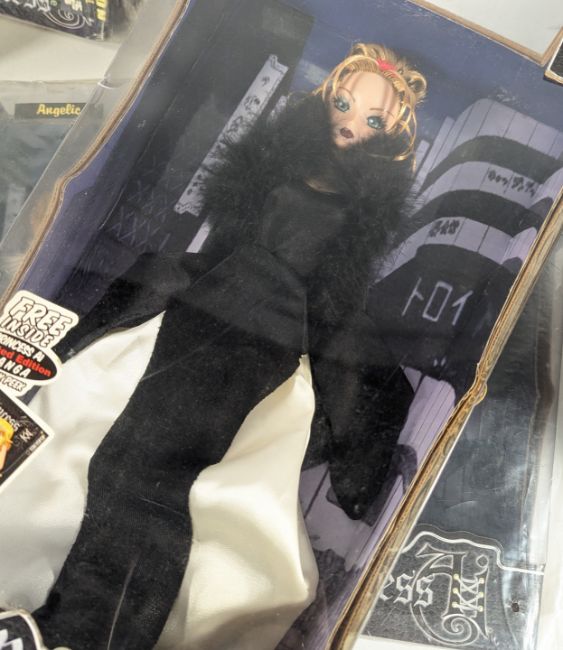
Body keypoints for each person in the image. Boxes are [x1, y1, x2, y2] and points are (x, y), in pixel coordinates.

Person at [12, 43, 426, 649]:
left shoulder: (363, 210)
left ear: (391, 135)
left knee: (170, 484)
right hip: (203, 305)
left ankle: (100, 630)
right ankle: (66, 618)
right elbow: (226, 226)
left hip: (267, 343)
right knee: (115, 455)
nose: (350, 123)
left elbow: (339, 299)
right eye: (343, 103)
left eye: (373, 120)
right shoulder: (274, 163)